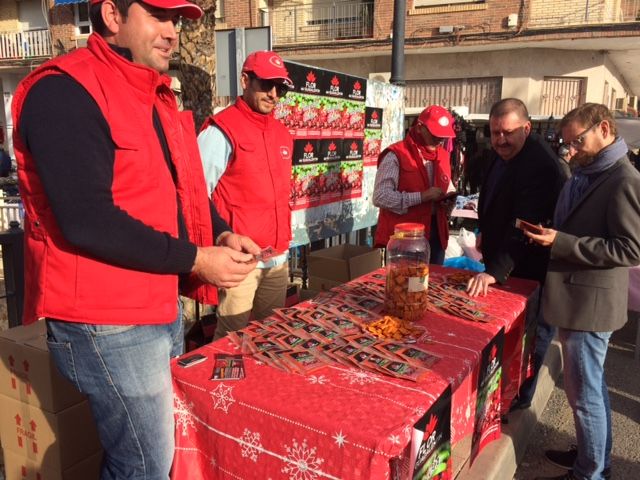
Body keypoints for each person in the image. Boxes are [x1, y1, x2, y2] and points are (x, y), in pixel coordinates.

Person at [12, 0, 260, 478]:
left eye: (176, 20)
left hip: (156, 304)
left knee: (158, 455)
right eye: (158, 16)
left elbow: (178, 191)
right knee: (144, 464)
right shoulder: (64, 90)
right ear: (112, 15)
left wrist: (222, 232)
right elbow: (87, 220)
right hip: (107, 320)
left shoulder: (152, 93)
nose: (172, 32)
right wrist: (196, 259)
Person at [527, 103, 640, 480]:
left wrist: (561, 242)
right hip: (578, 299)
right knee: (591, 389)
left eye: (577, 141)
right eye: (567, 144)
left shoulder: (623, 178)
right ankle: (594, 459)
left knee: (584, 396)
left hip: (589, 305)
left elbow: (629, 249)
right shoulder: (591, 172)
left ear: (604, 129)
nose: (571, 151)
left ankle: (589, 473)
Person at [466, 98, 564, 410]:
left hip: (531, 265)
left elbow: (525, 224)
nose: (500, 140)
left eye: (507, 133)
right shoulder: (504, 153)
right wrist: (484, 231)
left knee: (532, 333)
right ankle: (504, 388)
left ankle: (521, 395)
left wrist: (495, 271)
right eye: (495, 133)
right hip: (506, 255)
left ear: (527, 128)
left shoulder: (539, 165)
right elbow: (494, 197)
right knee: (508, 331)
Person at [198, 51, 294, 340]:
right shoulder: (221, 129)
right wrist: (217, 243)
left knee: (272, 335)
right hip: (239, 260)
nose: (274, 94)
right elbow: (195, 192)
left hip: (277, 257)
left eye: (281, 88)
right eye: (266, 84)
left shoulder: (282, 133)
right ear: (245, 81)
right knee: (231, 339)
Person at [372, 105, 456, 264]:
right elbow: (380, 196)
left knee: (434, 278)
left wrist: (449, 201)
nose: (439, 140)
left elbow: (448, 186)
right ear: (419, 128)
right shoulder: (396, 154)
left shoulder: (444, 155)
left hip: (436, 235)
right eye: (435, 134)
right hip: (405, 239)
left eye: (443, 136)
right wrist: (422, 197)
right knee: (405, 279)